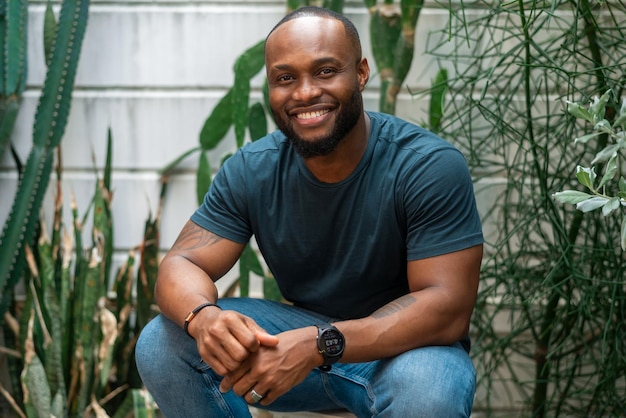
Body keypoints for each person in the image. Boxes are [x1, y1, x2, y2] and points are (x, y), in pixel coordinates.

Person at [136, 6, 483, 418]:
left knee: (430, 393)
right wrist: (204, 317)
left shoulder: (425, 165)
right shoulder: (254, 168)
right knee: (163, 341)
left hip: (405, 355)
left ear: (361, 73)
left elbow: (446, 309)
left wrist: (319, 344)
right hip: (291, 346)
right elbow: (182, 262)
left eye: (324, 71)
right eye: (286, 78)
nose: (303, 93)